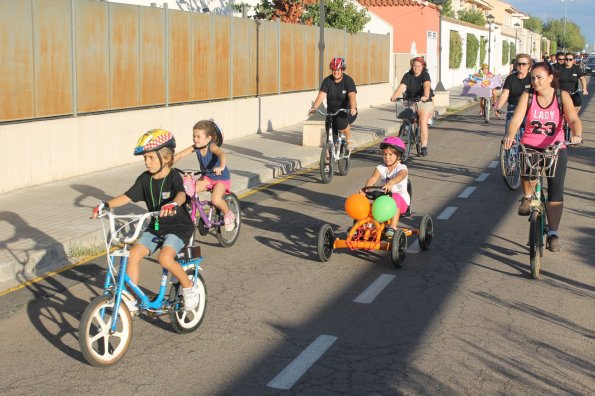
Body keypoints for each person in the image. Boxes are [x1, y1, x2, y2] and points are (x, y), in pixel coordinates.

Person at [92, 129, 200, 311]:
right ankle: (131, 299)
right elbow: (127, 196)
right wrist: (105, 205)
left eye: (150, 158)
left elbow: (181, 194)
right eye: (145, 158)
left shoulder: (173, 176)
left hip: (178, 227)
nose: (146, 162)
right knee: (133, 254)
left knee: (165, 258)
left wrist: (173, 204)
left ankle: (189, 287)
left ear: (165, 157)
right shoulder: (145, 179)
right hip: (156, 226)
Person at [503, 62, 583, 252]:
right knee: (526, 171)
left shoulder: (562, 96)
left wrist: (577, 133)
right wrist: (510, 135)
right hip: (530, 144)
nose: (535, 81)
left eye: (539, 77)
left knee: (556, 190)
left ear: (550, 78)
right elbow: (516, 119)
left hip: (555, 148)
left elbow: (573, 119)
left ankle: (553, 232)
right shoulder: (528, 96)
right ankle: (528, 196)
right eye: (532, 78)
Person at [174, 120, 235, 231]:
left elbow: (221, 154)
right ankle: (192, 213)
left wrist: (221, 167)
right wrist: (165, 166)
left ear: (209, 138)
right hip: (207, 177)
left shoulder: (211, 146)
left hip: (221, 178)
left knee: (216, 199)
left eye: (198, 136)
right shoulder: (196, 147)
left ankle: (229, 214)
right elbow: (180, 155)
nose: (195, 139)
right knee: (188, 191)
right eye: (194, 136)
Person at [361, 136, 410, 238]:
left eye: (390, 155)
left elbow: (401, 175)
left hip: (402, 204)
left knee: (395, 196)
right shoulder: (381, 167)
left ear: (399, 156)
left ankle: (393, 227)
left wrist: (391, 182)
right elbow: (373, 179)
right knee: (367, 201)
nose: (387, 157)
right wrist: (366, 189)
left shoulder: (402, 168)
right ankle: (366, 227)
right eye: (384, 154)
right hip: (384, 202)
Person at [309, 57, 358, 151]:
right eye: (334, 70)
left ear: (342, 70)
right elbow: (321, 95)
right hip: (331, 112)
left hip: (346, 111)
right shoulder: (327, 81)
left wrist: (352, 108)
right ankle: (327, 163)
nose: (336, 72)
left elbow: (352, 95)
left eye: (338, 70)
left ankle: (349, 140)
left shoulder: (348, 80)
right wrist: (314, 107)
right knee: (330, 138)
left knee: (340, 123)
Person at [390, 57, 434, 156]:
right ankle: (403, 139)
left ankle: (423, 146)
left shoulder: (425, 75)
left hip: (423, 101)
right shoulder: (407, 75)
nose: (416, 68)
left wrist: (426, 96)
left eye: (419, 66)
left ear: (422, 67)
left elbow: (427, 86)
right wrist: (395, 96)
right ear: (412, 66)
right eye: (414, 66)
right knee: (405, 119)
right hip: (410, 101)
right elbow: (402, 86)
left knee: (422, 121)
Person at [495, 54, 533, 133]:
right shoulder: (510, 78)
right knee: (509, 137)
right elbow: (505, 93)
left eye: (524, 64)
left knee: (528, 138)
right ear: (515, 65)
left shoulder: (533, 78)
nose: (521, 66)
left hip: (529, 109)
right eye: (519, 63)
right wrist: (499, 107)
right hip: (513, 109)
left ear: (529, 65)